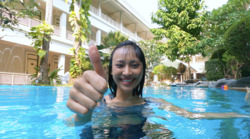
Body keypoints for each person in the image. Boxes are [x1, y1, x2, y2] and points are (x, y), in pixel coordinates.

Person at [66, 40, 248, 137]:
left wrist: (243, 115)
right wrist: (82, 116)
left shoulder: (155, 102)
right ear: (111, 70)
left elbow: (192, 116)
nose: (127, 72)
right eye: (120, 65)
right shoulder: (98, 104)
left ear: (143, 70)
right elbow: (71, 123)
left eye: (135, 65)